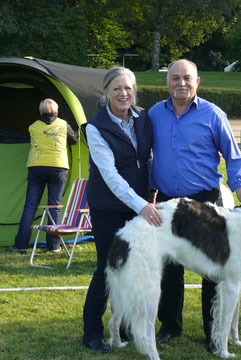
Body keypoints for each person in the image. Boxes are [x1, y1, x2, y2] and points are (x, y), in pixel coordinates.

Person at [149, 59, 241, 350]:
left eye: (186, 78)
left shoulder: (213, 114)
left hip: (206, 202)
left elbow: (233, 156)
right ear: (167, 82)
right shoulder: (155, 114)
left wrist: (240, 190)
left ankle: (213, 333)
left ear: (198, 81)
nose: (180, 83)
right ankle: (170, 325)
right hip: (169, 203)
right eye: (174, 78)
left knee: (212, 271)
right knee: (169, 268)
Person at [82, 67, 163, 353]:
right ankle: (92, 332)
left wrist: (150, 196)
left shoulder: (144, 118)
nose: (123, 93)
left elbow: (151, 158)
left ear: (134, 90)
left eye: (128, 88)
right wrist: (142, 205)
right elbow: (110, 175)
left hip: (139, 206)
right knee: (107, 267)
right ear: (106, 92)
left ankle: (127, 327)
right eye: (116, 88)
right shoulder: (95, 127)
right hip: (108, 208)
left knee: (134, 269)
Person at [11, 98, 79, 253]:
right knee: (54, 206)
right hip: (58, 167)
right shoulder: (63, 124)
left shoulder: (32, 127)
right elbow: (74, 140)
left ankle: (21, 245)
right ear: (55, 111)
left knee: (30, 206)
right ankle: (54, 245)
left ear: (41, 112)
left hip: (36, 167)